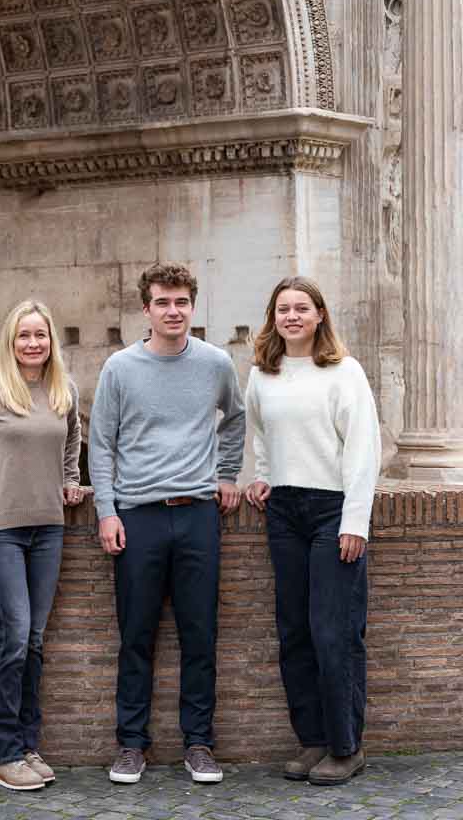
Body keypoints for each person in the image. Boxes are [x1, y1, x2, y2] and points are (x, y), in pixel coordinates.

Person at [88, 261, 245, 787]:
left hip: (199, 513)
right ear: (146, 308)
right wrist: (106, 510)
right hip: (138, 517)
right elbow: (101, 444)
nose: (172, 311)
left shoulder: (216, 363)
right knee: (136, 636)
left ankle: (199, 744)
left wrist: (227, 474)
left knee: (200, 635)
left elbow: (236, 419)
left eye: (181, 302)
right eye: (162, 302)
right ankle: (131, 745)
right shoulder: (119, 368)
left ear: (192, 307)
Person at [245, 276, 381, 786]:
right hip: (284, 511)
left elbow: (362, 449)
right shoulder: (263, 373)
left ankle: (346, 746)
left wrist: (355, 521)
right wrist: (262, 476)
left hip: (332, 511)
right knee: (294, 632)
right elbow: (260, 433)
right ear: (273, 317)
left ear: (320, 314)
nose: (293, 316)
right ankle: (313, 741)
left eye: (302, 307)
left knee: (334, 632)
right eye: (283, 309)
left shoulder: (344, 372)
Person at [0, 300, 83, 792]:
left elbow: (72, 442)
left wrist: (70, 479)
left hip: (49, 529)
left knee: (36, 641)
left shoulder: (63, 390)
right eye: (23, 335)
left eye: (40, 336)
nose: (32, 343)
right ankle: (2, 754)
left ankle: (27, 745)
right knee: (16, 635)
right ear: (10, 342)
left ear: (51, 342)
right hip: (0, 531)